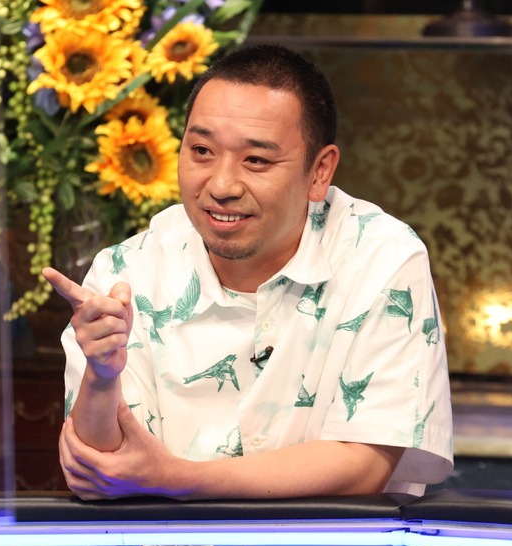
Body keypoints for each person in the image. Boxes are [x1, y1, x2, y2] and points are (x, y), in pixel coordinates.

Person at [43, 44, 454, 501]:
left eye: (256, 160)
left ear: (319, 172)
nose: (221, 186)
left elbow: (364, 465)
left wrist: (177, 479)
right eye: (201, 151)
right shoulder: (126, 272)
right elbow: (102, 472)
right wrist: (101, 377)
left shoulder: (381, 257)